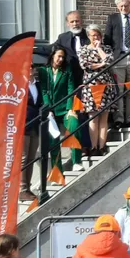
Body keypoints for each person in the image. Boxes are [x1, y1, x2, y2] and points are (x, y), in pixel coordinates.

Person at [34, 10, 92, 158]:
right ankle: (79, 148)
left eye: (77, 20)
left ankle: (86, 146)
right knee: (75, 115)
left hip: (88, 81)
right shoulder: (63, 37)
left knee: (85, 113)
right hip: (70, 81)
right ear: (68, 23)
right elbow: (51, 49)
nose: (75, 24)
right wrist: (32, 48)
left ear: (81, 21)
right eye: (72, 21)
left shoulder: (89, 35)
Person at [39, 45, 82, 173]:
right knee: (53, 139)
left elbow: (70, 88)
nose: (61, 59)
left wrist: (70, 108)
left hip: (65, 108)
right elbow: (44, 91)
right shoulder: (43, 71)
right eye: (59, 56)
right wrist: (48, 109)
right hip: (51, 110)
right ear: (52, 56)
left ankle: (77, 162)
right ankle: (57, 170)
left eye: (63, 57)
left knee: (74, 126)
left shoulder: (67, 70)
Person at [78, 24, 117, 156]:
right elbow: (85, 65)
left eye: (98, 35)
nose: (95, 38)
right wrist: (102, 64)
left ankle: (101, 146)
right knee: (93, 117)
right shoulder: (83, 49)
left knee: (104, 117)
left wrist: (99, 49)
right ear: (88, 36)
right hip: (91, 86)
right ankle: (94, 147)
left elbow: (110, 61)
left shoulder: (107, 48)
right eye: (93, 35)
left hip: (106, 85)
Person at [20, 60, 42, 202]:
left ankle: (27, 188)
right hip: (23, 125)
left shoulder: (37, 85)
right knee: (23, 157)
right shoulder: (19, 85)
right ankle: (22, 189)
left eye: (31, 67)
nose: (29, 70)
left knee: (31, 158)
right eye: (26, 67)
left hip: (35, 124)